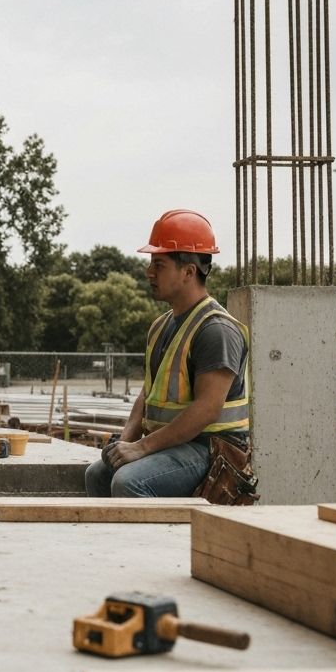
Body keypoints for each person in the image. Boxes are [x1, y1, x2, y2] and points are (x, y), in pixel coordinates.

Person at [84, 209, 250, 499]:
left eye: (158, 264)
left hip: (210, 449)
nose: (149, 272)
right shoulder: (161, 326)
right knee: (98, 473)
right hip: (174, 444)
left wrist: (141, 448)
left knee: (129, 482)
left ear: (188, 272)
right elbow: (147, 395)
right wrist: (126, 441)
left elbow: (207, 410)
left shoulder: (216, 330)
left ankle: (159, 545)